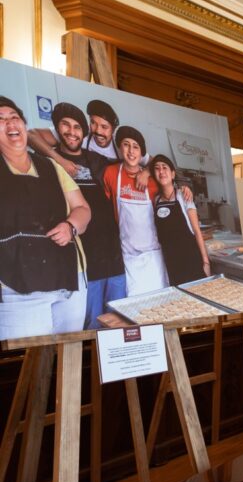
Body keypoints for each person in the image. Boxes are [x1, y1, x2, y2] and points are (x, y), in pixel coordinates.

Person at [0, 96, 91, 338]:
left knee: (69, 358)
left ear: (23, 124)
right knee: (27, 362)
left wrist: (71, 226)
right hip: (16, 286)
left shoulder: (52, 167)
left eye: (14, 117)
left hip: (68, 279)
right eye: (1, 119)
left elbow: (82, 209)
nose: (10, 123)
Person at [51, 102, 126, 328]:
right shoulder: (49, 162)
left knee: (118, 322)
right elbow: (33, 136)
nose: (71, 132)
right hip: (84, 261)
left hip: (114, 257)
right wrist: (60, 159)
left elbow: (135, 162)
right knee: (91, 325)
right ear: (56, 128)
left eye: (77, 127)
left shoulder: (96, 160)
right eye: (65, 125)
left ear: (83, 133)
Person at [101, 126, 168, 296]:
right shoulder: (111, 173)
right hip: (128, 255)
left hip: (154, 255)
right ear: (119, 147)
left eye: (136, 147)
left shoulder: (153, 180)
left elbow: (170, 192)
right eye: (126, 144)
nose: (131, 151)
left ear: (141, 153)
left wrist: (146, 171)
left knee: (160, 303)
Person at [28, 99, 152, 190]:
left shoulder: (122, 147)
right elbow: (31, 135)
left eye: (104, 127)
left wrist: (146, 173)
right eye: (93, 123)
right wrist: (59, 159)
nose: (98, 131)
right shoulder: (78, 133)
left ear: (113, 129)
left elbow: (153, 161)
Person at [150, 154, 210, 285]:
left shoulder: (183, 195)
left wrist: (205, 262)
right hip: (171, 263)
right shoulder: (156, 200)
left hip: (191, 260)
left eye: (164, 167)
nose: (161, 171)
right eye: (157, 168)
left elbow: (196, 231)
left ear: (172, 174)